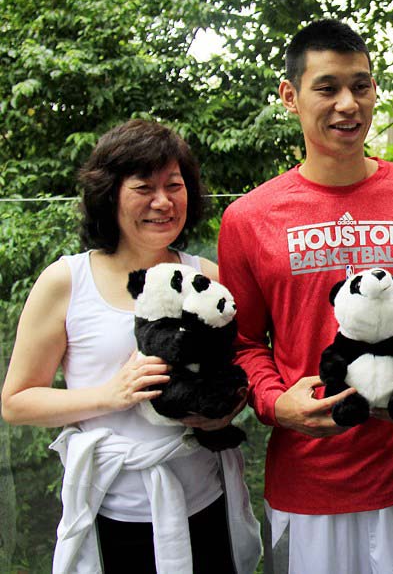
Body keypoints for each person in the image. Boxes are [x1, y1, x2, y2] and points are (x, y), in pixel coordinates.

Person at [217, 19, 393, 574]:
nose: (347, 104)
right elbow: (240, 341)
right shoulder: (249, 218)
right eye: (327, 87)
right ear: (291, 96)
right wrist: (274, 402)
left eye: (361, 85)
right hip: (308, 488)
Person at [0, 119, 260, 573]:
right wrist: (109, 395)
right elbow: (17, 402)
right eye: (144, 187)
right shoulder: (66, 281)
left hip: (205, 500)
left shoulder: (208, 276)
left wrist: (226, 409)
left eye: (174, 186)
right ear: (110, 194)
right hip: (112, 511)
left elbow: (240, 370)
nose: (163, 202)